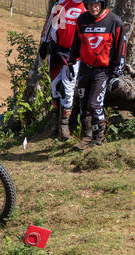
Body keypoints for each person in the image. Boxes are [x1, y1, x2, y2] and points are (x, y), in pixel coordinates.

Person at [68, 0, 126, 149]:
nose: (93, 8)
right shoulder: (82, 20)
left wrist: (116, 74)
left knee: (95, 105)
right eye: (90, 5)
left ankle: (99, 138)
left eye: (96, 4)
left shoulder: (115, 21)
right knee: (84, 105)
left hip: (103, 71)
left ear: (102, 4)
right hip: (84, 69)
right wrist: (71, 62)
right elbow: (76, 42)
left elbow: (121, 49)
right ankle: (86, 137)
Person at [39, 0, 86, 140]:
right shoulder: (62, 2)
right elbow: (52, 24)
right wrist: (44, 43)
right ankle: (55, 121)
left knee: (68, 88)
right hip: (56, 50)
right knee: (55, 86)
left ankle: (64, 126)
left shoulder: (87, 7)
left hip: (74, 55)